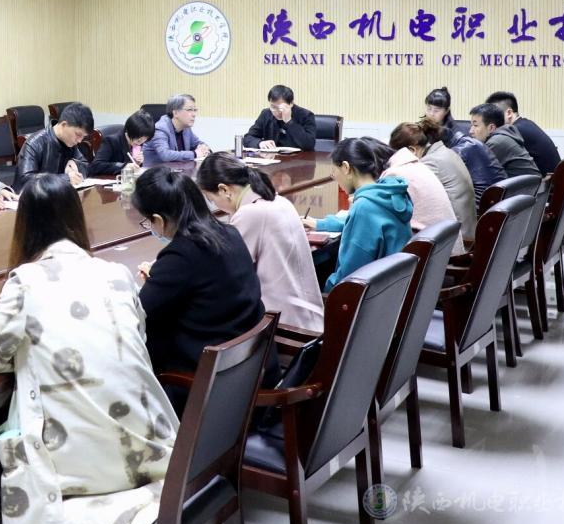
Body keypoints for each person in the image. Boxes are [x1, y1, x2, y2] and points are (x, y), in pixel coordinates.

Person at [0, 175, 176, 524]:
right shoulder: (117, 273)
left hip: (77, 467)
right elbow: (138, 338)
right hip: (153, 448)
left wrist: (31, 351)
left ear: (24, 225)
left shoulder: (25, 281)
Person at [131, 166, 265, 381]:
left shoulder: (180, 256)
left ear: (159, 219)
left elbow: (139, 314)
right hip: (248, 367)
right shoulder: (229, 233)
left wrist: (158, 279)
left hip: (205, 379)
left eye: (148, 222)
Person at [196, 152, 324, 333]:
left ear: (224, 190)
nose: (215, 206)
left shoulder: (250, 213)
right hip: (308, 318)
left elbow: (226, 271)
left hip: (284, 326)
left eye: (211, 199)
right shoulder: (279, 201)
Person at [305, 139, 413, 293]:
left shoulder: (364, 207)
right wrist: (320, 224)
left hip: (369, 297)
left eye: (334, 172)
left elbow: (349, 275)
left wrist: (324, 291)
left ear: (346, 168)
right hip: (393, 289)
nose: (335, 178)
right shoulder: (388, 194)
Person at [372, 138, 466, 255]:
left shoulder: (395, 175)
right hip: (446, 250)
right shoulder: (416, 166)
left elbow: (379, 223)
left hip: (436, 256)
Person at [390, 120, 477, 242]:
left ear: (412, 150)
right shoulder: (445, 152)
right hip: (466, 229)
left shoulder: (429, 163)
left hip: (457, 238)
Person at [424, 87, 505, 203]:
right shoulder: (468, 142)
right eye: (429, 109)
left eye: (436, 110)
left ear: (446, 111)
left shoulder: (461, 145)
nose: (431, 114)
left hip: (482, 203)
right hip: (493, 199)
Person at [14, 103, 93, 189]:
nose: (79, 141)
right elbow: (25, 180)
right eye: (78, 134)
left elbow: (87, 167)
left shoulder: (70, 142)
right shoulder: (35, 143)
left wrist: (76, 165)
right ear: (64, 125)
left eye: (83, 137)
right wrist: (66, 178)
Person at [485, 91, 560, 175]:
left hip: (545, 182)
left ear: (509, 113)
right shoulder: (526, 124)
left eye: (494, 116)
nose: (491, 121)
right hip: (552, 180)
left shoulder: (514, 131)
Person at [469, 103, 542, 178]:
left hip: (526, 185)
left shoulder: (497, 142)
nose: (470, 131)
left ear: (491, 128)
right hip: (527, 184)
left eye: (475, 125)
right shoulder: (502, 136)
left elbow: (475, 172)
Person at [241, 84, 317, 151]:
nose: (276, 112)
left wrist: (289, 122)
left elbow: (309, 144)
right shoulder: (266, 114)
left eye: (280, 108)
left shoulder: (306, 115)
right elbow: (248, 138)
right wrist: (260, 143)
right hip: (272, 159)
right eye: (273, 107)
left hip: (300, 160)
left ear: (291, 103)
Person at [143, 94, 210, 165]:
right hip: (155, 171)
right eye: (189, 110)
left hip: (178, 169)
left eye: (195, 110)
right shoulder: (160, 129)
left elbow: (198, 143)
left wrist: (204, 148)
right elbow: (165, 155)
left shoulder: (186, 128)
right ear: (175, 113)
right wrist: (194, 154)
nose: (194, 114)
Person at [88, 110, 154, 176]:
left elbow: (132, 166)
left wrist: (137, 163)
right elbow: (96, 166)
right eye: (139, 140)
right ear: (130, 130)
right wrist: (124, 166)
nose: (140, 143)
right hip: (109, 179)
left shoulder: (138, 142)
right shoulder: (111, 141)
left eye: (144, 140)